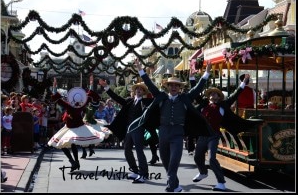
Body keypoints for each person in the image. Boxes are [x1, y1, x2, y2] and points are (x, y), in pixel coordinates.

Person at [130, 58, 212, 192]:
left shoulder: (185, 98)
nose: (174, 87)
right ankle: (176, 185)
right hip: (163, 133)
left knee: (174, 161)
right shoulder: (161, 96)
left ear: (180, 88)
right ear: (167, 87)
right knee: (165, 161)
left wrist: (206, 74)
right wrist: (140, 69)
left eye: (176, 85)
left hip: (178, 133)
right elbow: (149, 84)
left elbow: (197, 89)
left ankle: (171, 183)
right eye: (171, 85)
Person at [192, 74, 262, 191]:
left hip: (213, 136)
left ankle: (221, 183)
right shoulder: (204, 104)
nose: (212, 95)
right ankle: (203, 172)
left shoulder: (223, 105)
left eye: (215, 94)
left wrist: (243, 83)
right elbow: (194, 91)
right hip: (202, 135)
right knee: (197, 157)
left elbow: (235, 95)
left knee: (211, 159)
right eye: (211, 94)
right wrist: (192, 79)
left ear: (219, 97)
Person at [99, 79, 153, 184]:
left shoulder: (146, 102)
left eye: (141, 89)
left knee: (139, 151)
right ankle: (135, 170)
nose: (138, 90)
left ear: (144, 92)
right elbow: (117, 98)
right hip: (129, 129)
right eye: (137, 88)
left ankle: (144, 174)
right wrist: (106, 88)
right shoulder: (129, 101)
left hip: (138, 129)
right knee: (127, 149)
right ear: (134, 90)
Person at [48, 78, 106, 172]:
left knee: (63, 145)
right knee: (71, 145)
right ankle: (75, 161)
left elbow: (57, 99)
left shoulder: (69, 105)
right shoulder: (81, 105)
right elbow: (90, 96)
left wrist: (54, 87)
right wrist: (91, 85)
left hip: (72, 128)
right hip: (74, 127)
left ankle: (73, 161)